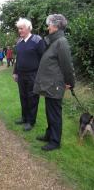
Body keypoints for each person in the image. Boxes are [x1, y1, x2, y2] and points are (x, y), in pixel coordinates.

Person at [33, 14, 75, 151]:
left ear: (56, 26)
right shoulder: (53, 41)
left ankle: (55, 141)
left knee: (54, 114)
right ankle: (49, 134)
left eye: (49, 24)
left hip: (55, 85)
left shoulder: (61, 42)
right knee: (49, 112)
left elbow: (67, 65)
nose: (48, 27)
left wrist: (70, 82)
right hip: (50, 84)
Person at [13, 18, 45, 131]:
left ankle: (31, 121)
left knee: (32, 98)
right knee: (23, 97)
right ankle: (24, 117)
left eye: (21, 28)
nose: (19, 31)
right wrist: (15, 72)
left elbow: (43, 59)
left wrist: (41, 76)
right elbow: (18, 59)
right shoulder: (19, 42)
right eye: (18, 29)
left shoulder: (37, 40)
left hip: (33, 75)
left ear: (28, 28)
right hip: (21, 75)